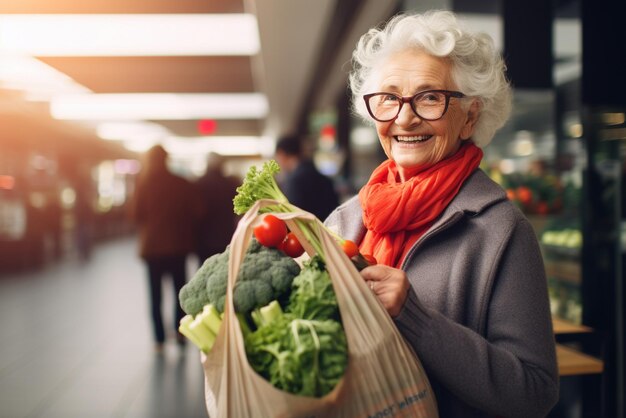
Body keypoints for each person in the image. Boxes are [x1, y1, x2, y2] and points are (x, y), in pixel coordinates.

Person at [325, 10, 559, 418]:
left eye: (430, 97)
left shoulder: (501, 231)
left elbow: (534, 391)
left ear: (469, 116)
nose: (404, 116)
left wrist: (415, 317)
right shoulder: (344, 221)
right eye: (389, 98)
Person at [129, 145, 204, 351]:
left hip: (152, 248)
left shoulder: (143, 183)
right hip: (177, 246)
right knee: (179, 291)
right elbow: (197, 211)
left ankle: (159, 340)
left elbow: (135, 214)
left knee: (155, 294)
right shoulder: (181, 183)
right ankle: (180, 334)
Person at [274, 135, 339, 220]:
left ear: (281, 154)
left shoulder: (293, 182)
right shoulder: (324, 179)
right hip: (331, 230)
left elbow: (292, 218)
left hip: (307, 232)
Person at [194, 152, 241, 263]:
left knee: (205, 272)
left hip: (204, 239)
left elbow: (195, 212)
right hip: (227, 236)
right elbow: (239, 211)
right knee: (226, 270)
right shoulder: (231, 184)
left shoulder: (198, 184)